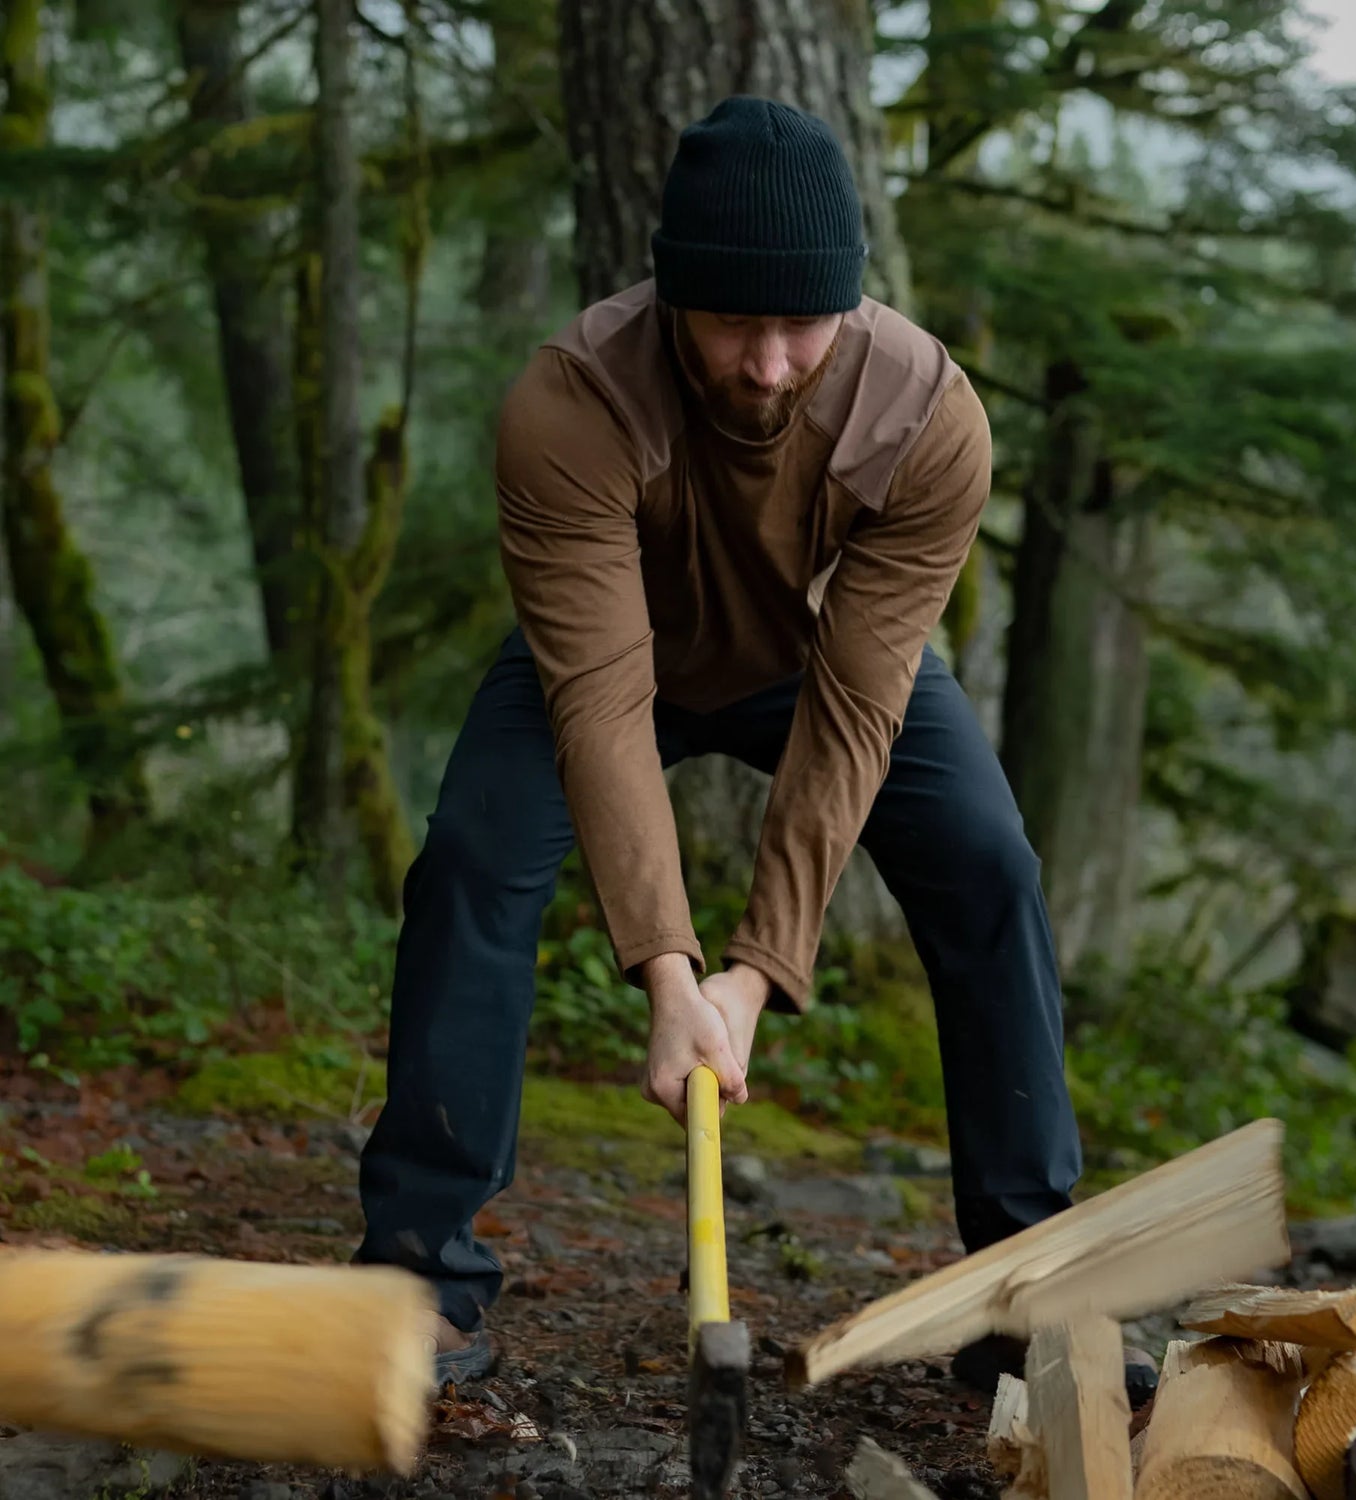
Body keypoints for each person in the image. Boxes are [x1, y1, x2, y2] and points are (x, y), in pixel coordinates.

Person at [353, 94, 1155, 1405]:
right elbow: (604, 709)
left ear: (853, 304)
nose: (773, 362)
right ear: (674, 296)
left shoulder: (929, 419)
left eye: (806, 325)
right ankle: (418, 1277)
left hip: (825, 664)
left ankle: (1029, 1281)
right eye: (737, 322)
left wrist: (759, 971)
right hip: (622, 661)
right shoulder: (572, 404)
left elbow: (856, 706)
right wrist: (672, 973)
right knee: (470, 866)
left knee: (991, 869)